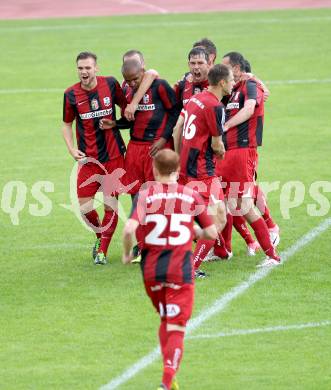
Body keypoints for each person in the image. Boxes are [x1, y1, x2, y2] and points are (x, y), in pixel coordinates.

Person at [122, 149, 219, 390]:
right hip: (180, 272)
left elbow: (128, 230)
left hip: (151, 272)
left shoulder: (145, 196)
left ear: (154, 170)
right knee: (176, 326)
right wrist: (195, 231)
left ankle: (171, 380)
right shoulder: (190, 196)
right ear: (178, 171)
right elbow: (211, 233)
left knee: (166, 319)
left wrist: (126, 254)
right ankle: (166, 383)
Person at [62, 51, 127, 265]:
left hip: (113, 158)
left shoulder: (109, 84)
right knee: (84, 208)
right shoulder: (70, 94)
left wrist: (116, 124)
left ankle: (103, 252)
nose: (84, 72)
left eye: (88, 67)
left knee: (110, 204)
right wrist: (71, 149)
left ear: (96, 68)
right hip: (89, 160)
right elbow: (66, 124)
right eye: (80, 68)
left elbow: (126, 109)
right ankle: (100, 237)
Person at [220, 51, 280, 267]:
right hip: (227, 152)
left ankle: (271, 253)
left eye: (225, 67)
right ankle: (224, 250)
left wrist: (226, 125)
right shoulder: (233, 89)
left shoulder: (251, 85)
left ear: (236, 68)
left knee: (244, 204)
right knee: (227, 203)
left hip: (244, 150)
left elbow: (249, 109)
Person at [179, 63, 235, 276]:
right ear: (222, 83)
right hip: (202, 171)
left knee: (195, 216)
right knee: (218, 219)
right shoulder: (215, 106)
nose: (233, 84)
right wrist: (221, 152)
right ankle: (190, 267)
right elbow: (216, 144)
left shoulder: (195, 98)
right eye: (230, 81)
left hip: (187, 166)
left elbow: (178, 128)